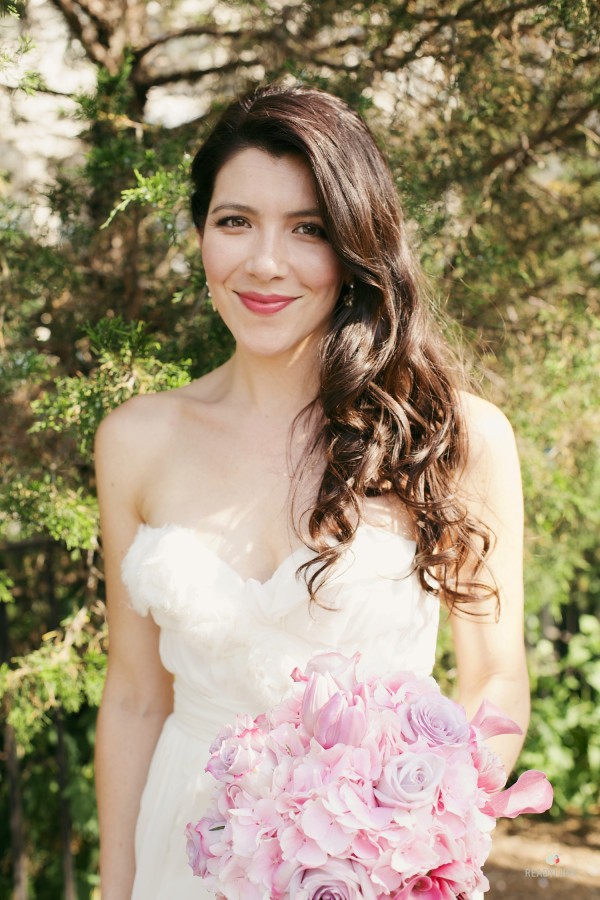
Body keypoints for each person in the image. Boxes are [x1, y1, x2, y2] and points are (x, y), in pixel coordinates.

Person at [94, 83, 529, 899]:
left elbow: (495, 680)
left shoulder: (456, 438)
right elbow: (134, 699)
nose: (265, 262)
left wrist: (422, 830)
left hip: (372, 869)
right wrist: (116, 889)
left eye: (309, 229)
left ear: (358, 246)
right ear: (199, 235)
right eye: (235, 222)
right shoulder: (136, 441)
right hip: (180, 851)